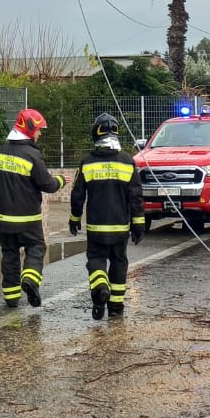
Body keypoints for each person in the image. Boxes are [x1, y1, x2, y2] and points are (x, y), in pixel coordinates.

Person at [69, 112, 144, 320]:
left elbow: (77, 195)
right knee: (119, 262)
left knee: (95, 259)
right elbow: (136, 197)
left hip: (96, 228)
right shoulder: (128, 161)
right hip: (120, 228)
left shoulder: (87, 162)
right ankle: (116, 307)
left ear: (96, 134)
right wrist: (139, 225)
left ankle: (100, 287)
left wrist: (74, 218)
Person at [0, 108, 62, 307]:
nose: (39, 134)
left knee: (9, 255)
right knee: (36, 248)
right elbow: (47, 184)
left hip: (4, 219)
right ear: (29, 129)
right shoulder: (32, 155)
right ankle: (29, 279)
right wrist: (61, 181)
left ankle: (11, 298)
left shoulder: (0, 152)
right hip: (28, 218)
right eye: (38, 130)